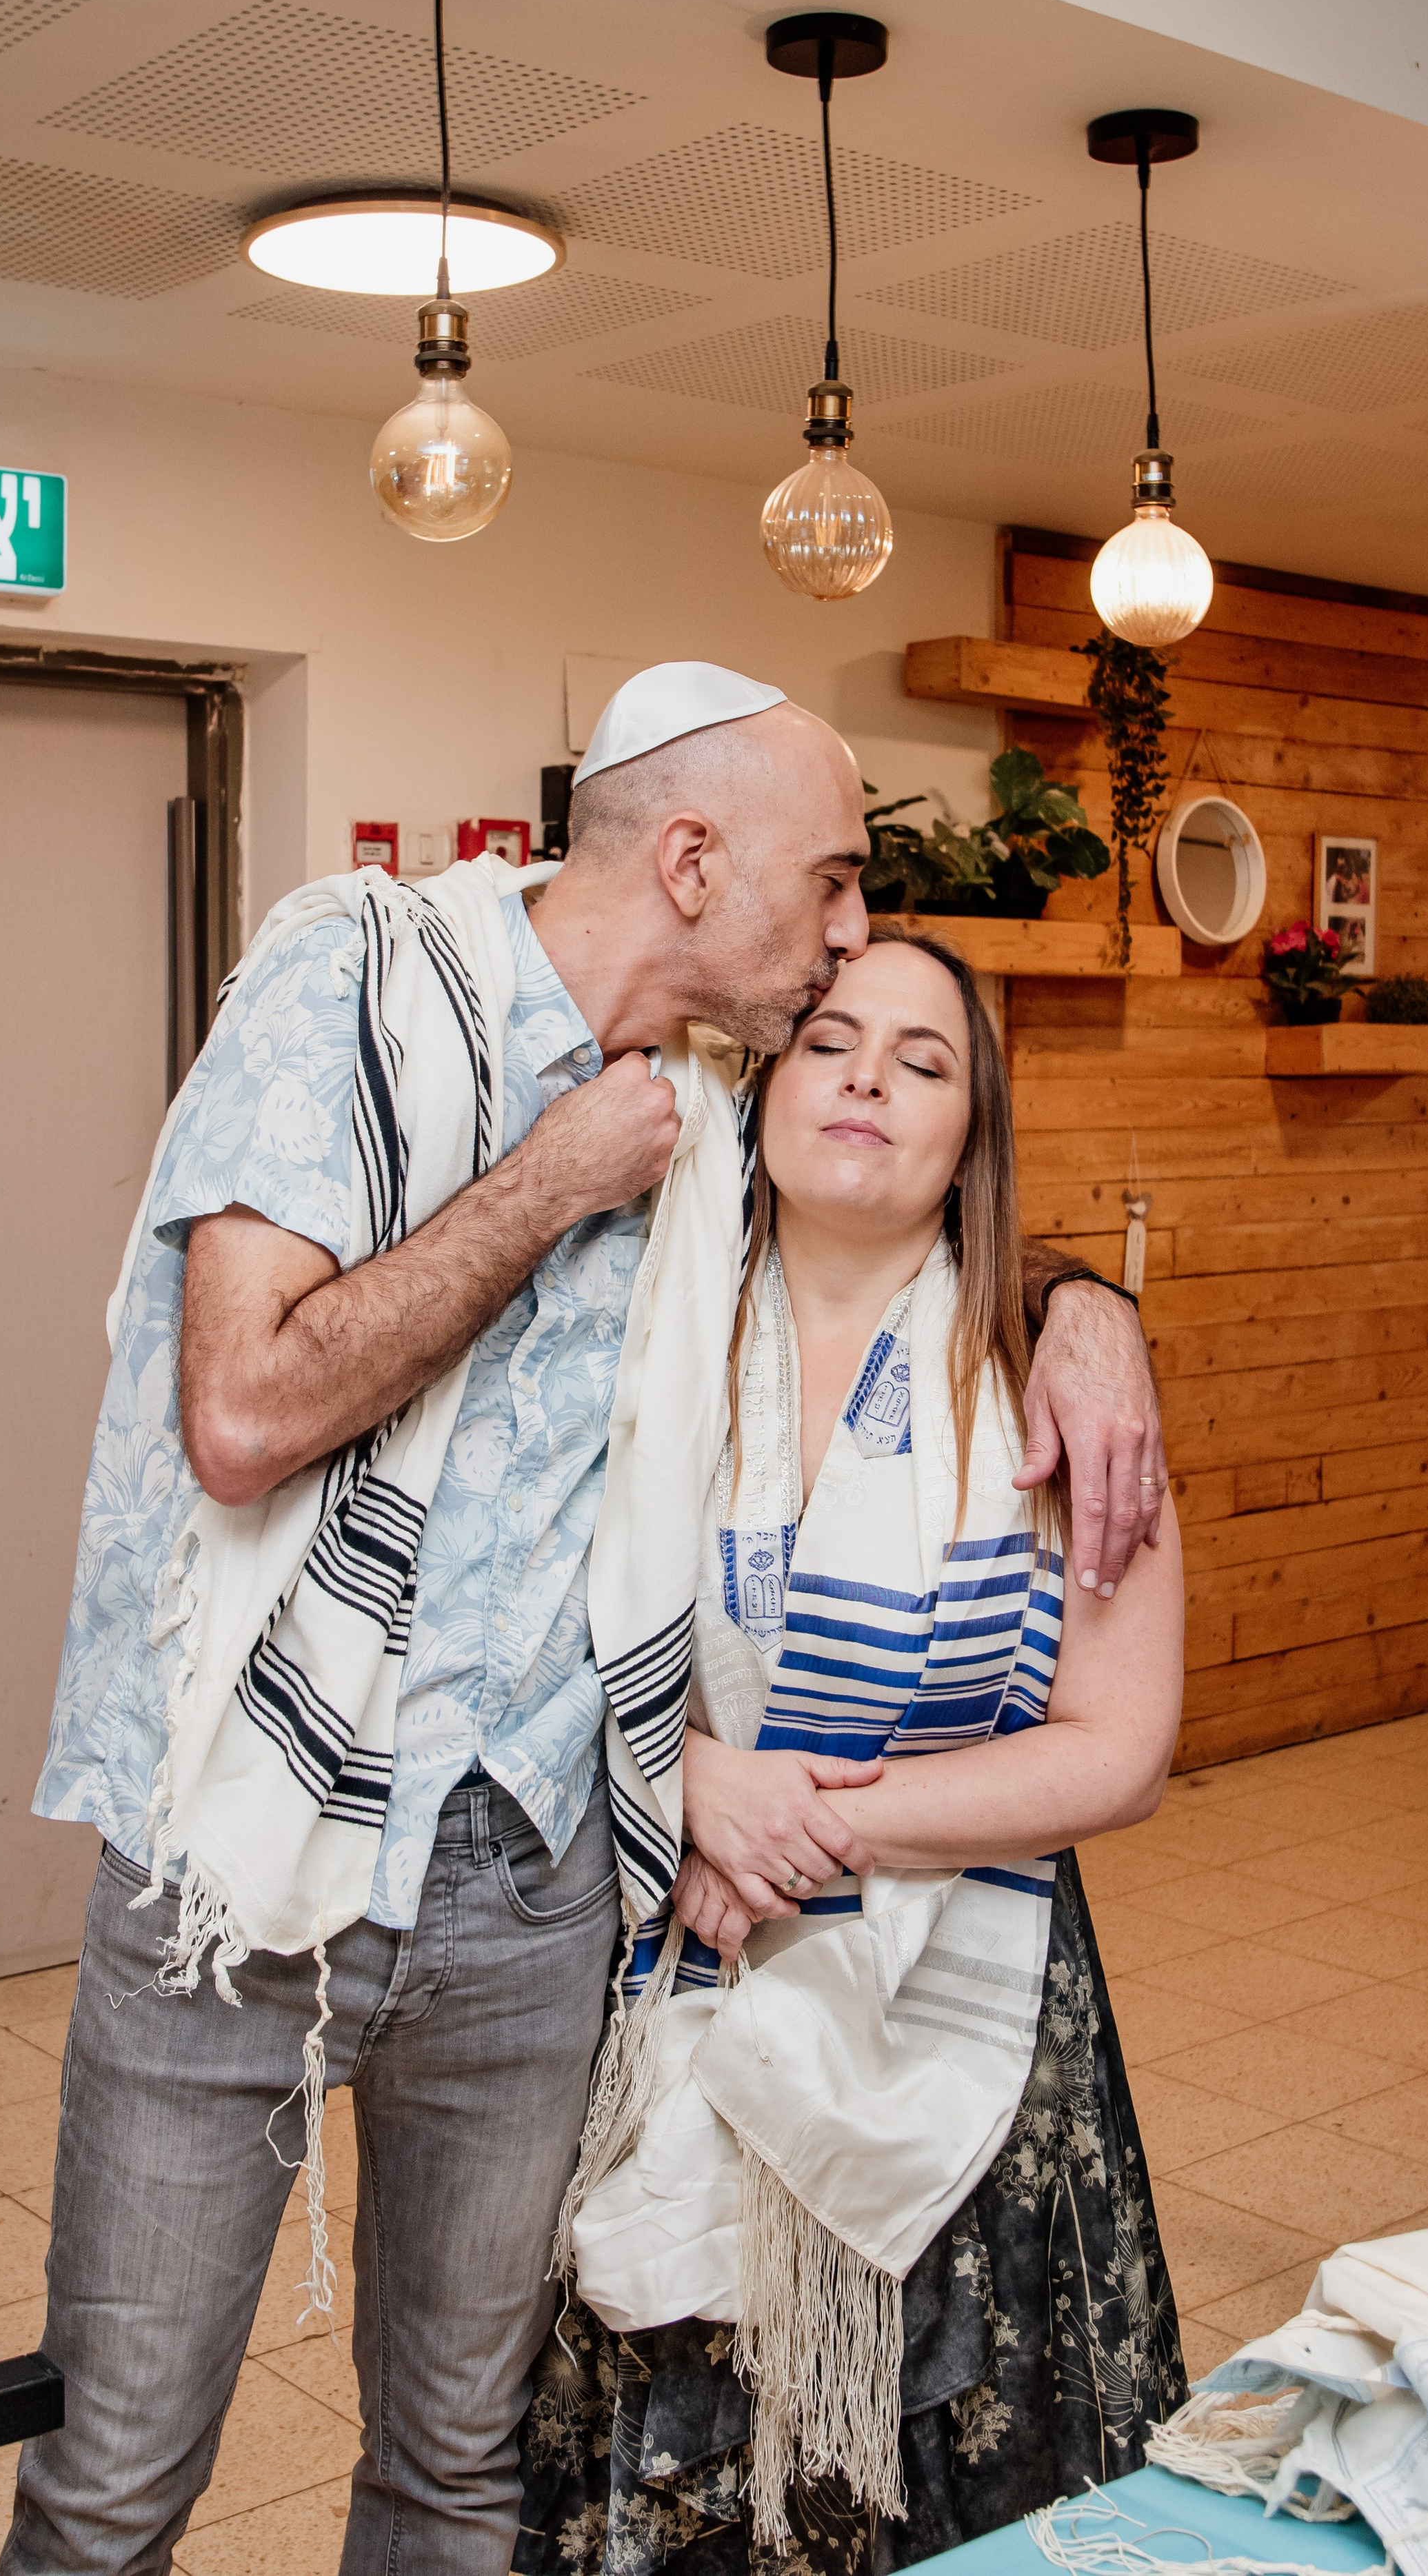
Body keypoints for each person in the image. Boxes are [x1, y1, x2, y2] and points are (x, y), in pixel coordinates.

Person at [5, 665, 1167, 2576]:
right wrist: (549, 1183)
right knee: (118, 2471)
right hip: (252, 1843)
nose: (858, 928)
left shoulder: (716, 1106)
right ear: (696, 861)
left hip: (541, 1872)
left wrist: (1080, 1309)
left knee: (459, 2468)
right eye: (836, 881)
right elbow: (241, 1415)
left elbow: (895, 1224)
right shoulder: (357, 983)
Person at [519, 927, 1187, 2576]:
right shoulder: (632, 1338)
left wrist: (800, 1817)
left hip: (967, 2016)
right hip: (672, 1970)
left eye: (923, 1057)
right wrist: (682, 1772)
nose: (869, 1078)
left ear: (974, 1134)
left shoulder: (1058, 1385)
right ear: (761, 1086)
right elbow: (515, 1634)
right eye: (828, 1039)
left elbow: (1118, 1746)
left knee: (955, 2492)